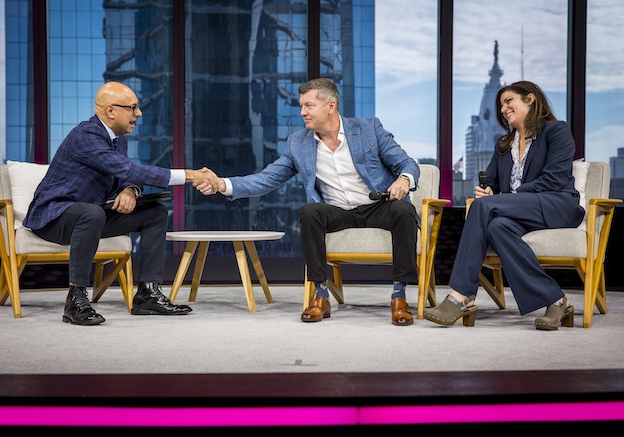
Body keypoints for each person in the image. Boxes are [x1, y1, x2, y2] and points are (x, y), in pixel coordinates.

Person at [196, 77, 421, 326]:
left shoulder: (368, 129)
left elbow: (406, 163)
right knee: (310, 212)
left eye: (309, 106)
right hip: (337, 212)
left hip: (378, 205)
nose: (303, 112)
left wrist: (403, 180)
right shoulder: (298, 143)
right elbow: (266, 179)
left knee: (403, 210)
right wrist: (221, 184)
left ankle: (399, 295)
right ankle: (321, 294)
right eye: (301, 106)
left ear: (330, 106)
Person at [24, 81, 218, 326]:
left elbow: (127, 176)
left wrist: (130, 190)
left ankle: (148, 293)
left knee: (154, 213)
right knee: (91, 213)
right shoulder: (86, 136)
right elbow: (128, 168)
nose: (139, 114)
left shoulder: (117, 140)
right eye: (133, 108)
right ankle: (76, 298)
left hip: (90, 216)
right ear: (110, 111)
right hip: (54, 217)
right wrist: (189, 175)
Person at [423, 80, 584, 331]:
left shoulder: (556, 131)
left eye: (509, 101)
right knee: (497, 227)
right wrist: (489, 191)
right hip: (522, 210)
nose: (503, 108)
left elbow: (554, 179)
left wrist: (504, 197)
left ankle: (460, 295)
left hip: (557, 205)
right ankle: (557, 300)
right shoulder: (504, 144)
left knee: (482, 208)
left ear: (530, 99)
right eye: (501, 105)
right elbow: (494, 185)